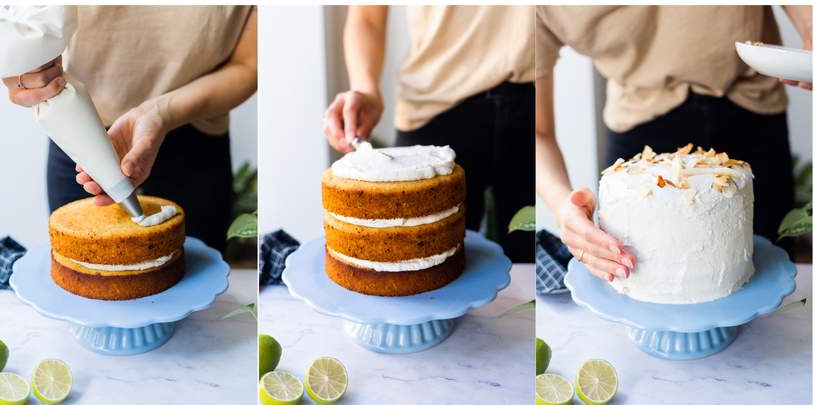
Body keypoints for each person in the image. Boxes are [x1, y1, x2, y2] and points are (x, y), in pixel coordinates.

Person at [534, 5, 812, 281]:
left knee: (771, 278)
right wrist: (563, 209)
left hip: (753, 104)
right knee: (647, 284)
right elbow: (537, 131)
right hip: (639, 131)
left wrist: (808, 23)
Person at [4, 6, 257, 253]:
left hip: (197, 140)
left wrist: (162, 112)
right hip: (79, 137)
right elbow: (19, 22)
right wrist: (17, 59)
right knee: (81, 271)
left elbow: (250, 65)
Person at [321, 6, 536, 262]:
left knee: (531, 266)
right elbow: (366, 17)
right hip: (433, 109)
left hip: (531, 106)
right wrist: (365, 88)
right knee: (414, 263)